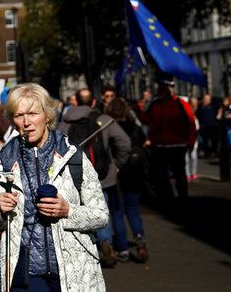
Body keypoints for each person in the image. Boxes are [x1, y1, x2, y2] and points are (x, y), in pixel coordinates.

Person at [0, 83, 109, 292]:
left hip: (70, 267)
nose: (26, 122)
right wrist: (0, 208)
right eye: (19, 116)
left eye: (33, 114)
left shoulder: (73, 157)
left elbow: (100, 214)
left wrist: (68, 211)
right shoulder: (5, 157)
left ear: (47, 115)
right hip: (24, 268)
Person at [58, 88, 130, 267]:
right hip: (103, 173)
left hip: (75, 174)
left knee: (78, 208)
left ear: (75, 102)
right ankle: (105, 241)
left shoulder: (64, 123)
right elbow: (124, 142)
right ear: (93, 102)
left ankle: (85, 247)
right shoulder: (103, 120)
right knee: (101, 206)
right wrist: (118, 164)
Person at [133, 79, 197, 201]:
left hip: (177, 146)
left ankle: (183, 199)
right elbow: (146, 120)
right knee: (161, 176)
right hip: (159, 146)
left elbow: (191, 123)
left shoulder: (181, 103)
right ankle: (168, 198)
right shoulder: (155, 104)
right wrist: (138, 110)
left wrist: (191, 142)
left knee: (179, 175)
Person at [104, 98, 149, 263]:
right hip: (135, 173)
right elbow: (144, 142)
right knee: (133, 210)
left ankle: (122, 248)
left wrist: (117, 163)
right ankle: (139, 237)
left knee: (117, 212)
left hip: (117, 173)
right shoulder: (135, 127)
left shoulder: (108, 127)